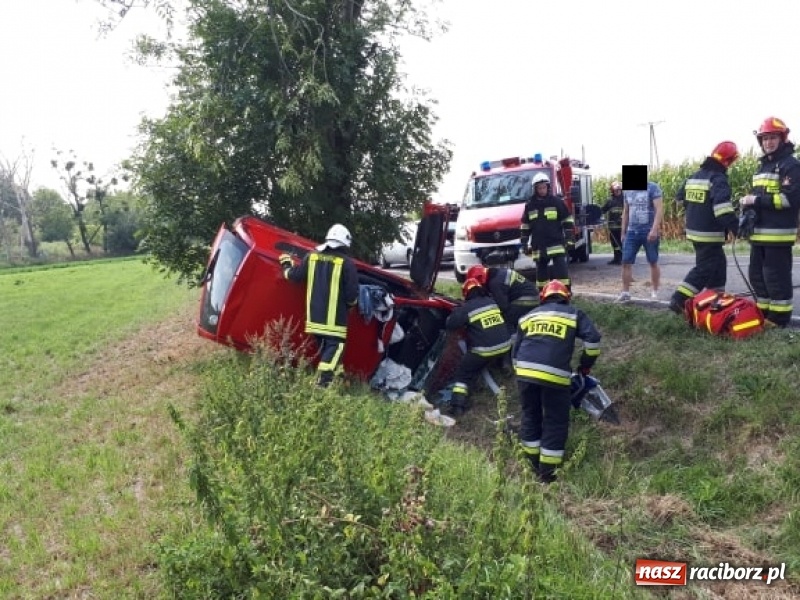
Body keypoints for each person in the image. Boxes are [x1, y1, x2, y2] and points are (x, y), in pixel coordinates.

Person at [513, 280, 601, 484]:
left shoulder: (527, 316)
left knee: (530, 415)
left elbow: (515, 352)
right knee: (555, 420)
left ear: (543, 297)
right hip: (555, 377)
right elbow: (593, 341)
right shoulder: (574, 314)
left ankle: (531, 463)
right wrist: (585, 366)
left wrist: (522, 373)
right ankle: (547, 473)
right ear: (566, 297)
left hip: (524, 372)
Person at [280, 223, 359, 388]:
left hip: (314, 319)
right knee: (335, 348)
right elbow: (352, 296)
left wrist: (286, 264)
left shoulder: (312, 257)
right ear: (344, 244)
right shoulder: (347, 264)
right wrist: (352, 305)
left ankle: (336, 381)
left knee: (327, 351)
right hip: (335, 321)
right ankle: (322, 385)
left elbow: (293, 276)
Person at [739, 117, 800, 328]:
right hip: (759, 234)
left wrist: (755, 200)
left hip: (778, 233)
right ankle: (763, 312)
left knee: (776, 278)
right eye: (764, 139)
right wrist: (748, 207)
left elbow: (788, 200)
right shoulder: (763, 166)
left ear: (782, 139)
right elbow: (761, 197)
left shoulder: (790, 165)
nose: (768, 143)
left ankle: (779, 319)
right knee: (757, 276)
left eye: (773, 138)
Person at [668, 142, 740, 315]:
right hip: (709, 234)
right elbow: (722, 211)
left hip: (695, 232)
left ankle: (715, 300)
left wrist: (698, 210)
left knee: (718, 265)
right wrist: (737, 228)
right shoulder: (718, 179)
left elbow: (680, 198)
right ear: (728, 161)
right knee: (704, 269)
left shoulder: (694, 176)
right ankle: (678, 300)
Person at [444, 277, 512, 417]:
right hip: (506, 346)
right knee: (485, 356)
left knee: (464, 373)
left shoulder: (467, 308)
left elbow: (451, 324)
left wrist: (457, 312)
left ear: (466, 293)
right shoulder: (491, 302)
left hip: (485, 350)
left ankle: (457, 406)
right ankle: (504, 365)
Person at [520, 172, 575, 292]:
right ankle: (543, 296)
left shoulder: (556, 202)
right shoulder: (530, 205)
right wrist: (524, 243)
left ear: (548, 187)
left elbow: (567, 219)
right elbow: (525, 226)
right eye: (539, 188)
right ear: (535, 189)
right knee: (541, 277)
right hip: (539, 246)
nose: (542, 190)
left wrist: (569, 238)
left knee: (562, 273)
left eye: (544, 187)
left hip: (556, 243)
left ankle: (565, 294)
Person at [617, 179, 665, 302]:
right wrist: (623, 232)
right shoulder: (627, 191)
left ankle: (654, 292)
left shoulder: (653, 188)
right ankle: (625, 292)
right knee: (625, 261)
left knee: (653, 261)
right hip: (632, 232)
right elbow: (626, 211)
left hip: (649, 230)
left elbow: (659, 209)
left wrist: (654, 230)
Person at [466, 264, 539, 336]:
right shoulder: (497, 273)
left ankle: (512, 341)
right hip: (532, 296)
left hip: (527, 300)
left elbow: (503, 306)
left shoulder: (495, 283)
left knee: (505, 319)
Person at [601, 181, 625, 265]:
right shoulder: (610, 201)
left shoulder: (625, 200)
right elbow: (603, 210)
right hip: (613, 227)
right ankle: (616, 258)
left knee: (622, 243)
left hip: (623, 227)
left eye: (619, 190)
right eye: (616, 190)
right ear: (612, 191)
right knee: (614, 244)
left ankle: (622, 259)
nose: (617, 192)